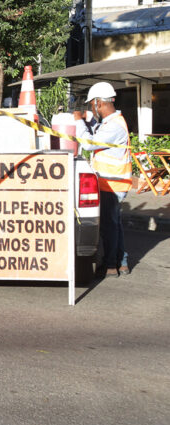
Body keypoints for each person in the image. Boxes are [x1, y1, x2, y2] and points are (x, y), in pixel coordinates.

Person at [79, 82, 131, 278]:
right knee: (114, 225)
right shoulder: (112, 123)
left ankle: (110, 266)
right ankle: (122, 263)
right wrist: (88, 121)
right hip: (112, 182)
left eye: (92, 105)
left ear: (99, 103)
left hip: (112, 183)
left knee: (109, 227)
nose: (92, 108)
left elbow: (89, 143)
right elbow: (98, 133)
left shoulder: (115, 126)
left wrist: (77, 122)